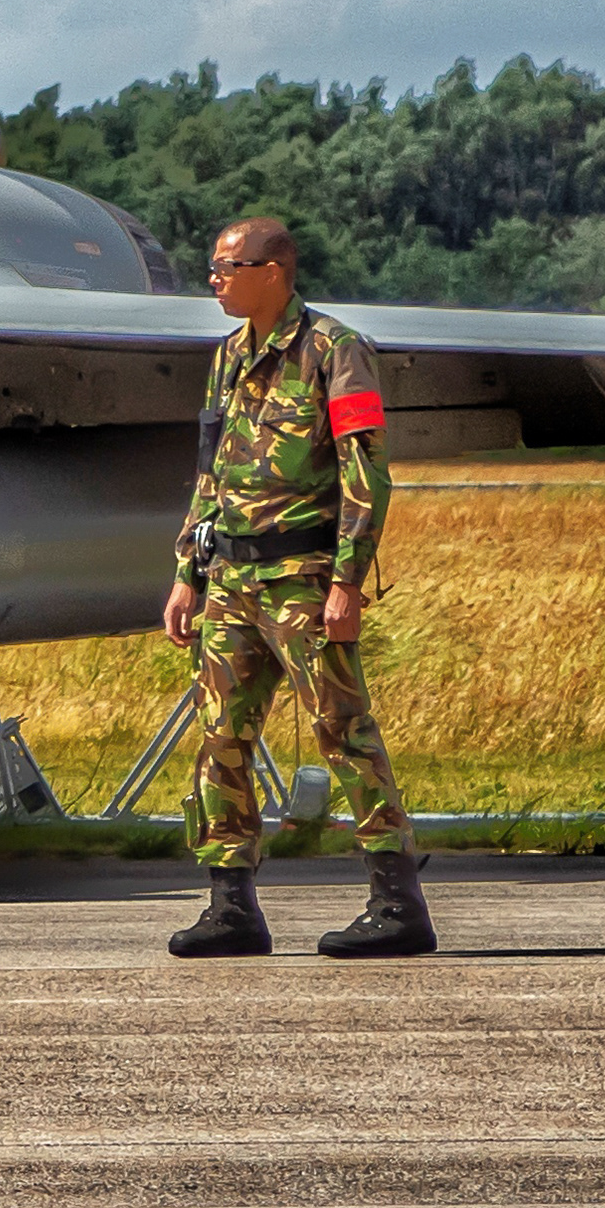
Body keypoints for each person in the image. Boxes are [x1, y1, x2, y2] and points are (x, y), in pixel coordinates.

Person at [159, 216, 435, 960]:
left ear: (274, 270)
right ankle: (231, 905)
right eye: (213, 266)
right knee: (220, 738)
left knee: (342, 733)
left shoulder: (334, 352)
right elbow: (210, 474)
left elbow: (365, 475)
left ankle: (396, 901)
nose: (214, 278)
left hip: (304, 580)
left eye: (228, 265)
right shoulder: (227, 357)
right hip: (232, 581)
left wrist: (346, 583)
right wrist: (189, 573)